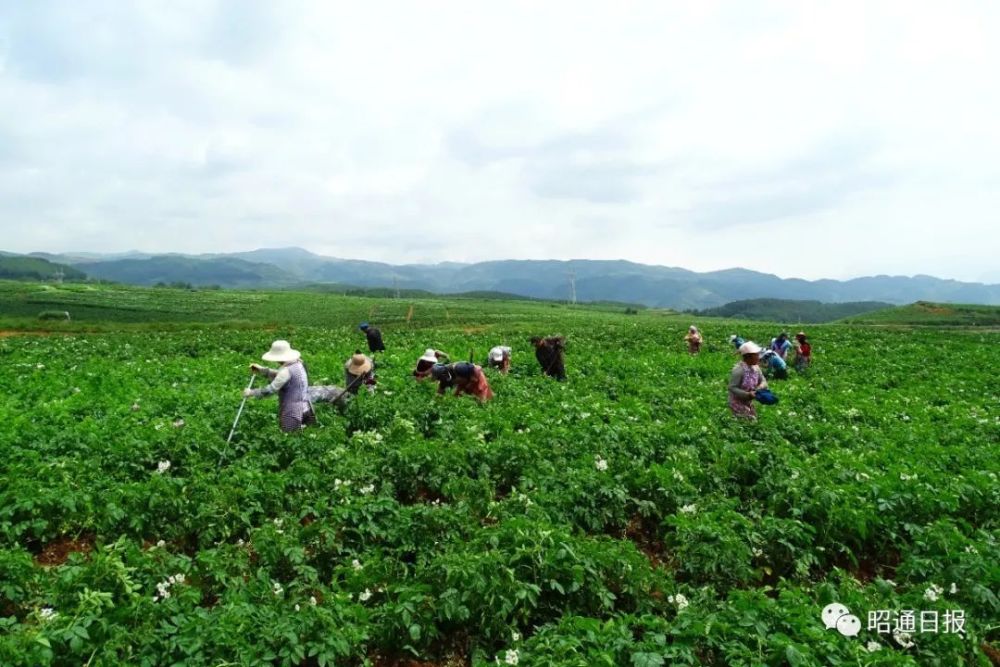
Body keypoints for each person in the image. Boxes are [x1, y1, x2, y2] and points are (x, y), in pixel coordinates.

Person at [246, 340, 315, 432]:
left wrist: (251, 393)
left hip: (293, 413)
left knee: (289, 438)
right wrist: (262, 370)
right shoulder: (298, 363)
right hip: (307, 409)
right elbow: (282, 377)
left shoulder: (286, 371)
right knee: (304, 437)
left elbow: (270, 390)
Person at [728, 341, 768, 420]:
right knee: (747, 421)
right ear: (748, 357)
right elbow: (732, 387)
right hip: (737, 403)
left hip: (748, 402)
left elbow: (763, 381)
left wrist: (758, 388)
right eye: (756, 355)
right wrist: (747, 394)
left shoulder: (756, 368)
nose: (758, 357)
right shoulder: (739, 370)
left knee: (752, 420)